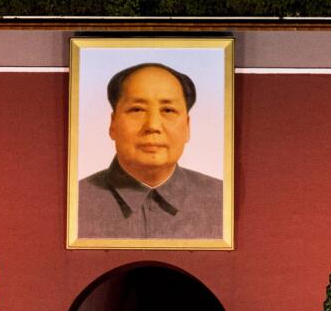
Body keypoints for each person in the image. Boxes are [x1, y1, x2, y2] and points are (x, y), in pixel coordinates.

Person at [78, 62, 223, 239]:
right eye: (137, 109)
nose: (153, 126)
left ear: (187, 126)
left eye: (168, 110)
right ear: (113, 124)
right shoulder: (76, 200)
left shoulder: (222, 200)